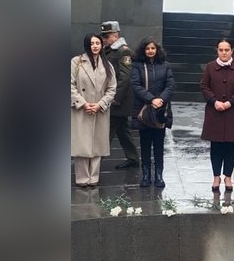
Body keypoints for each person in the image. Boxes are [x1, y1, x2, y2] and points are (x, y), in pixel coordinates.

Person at [199, 38, 234, 192]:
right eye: (221, 50)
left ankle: (228, 176)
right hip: (215, 112)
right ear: (217, 51)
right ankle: (216, 176)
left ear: (232, 50)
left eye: (227, 50)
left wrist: (231, 102)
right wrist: (214, 101)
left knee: (230, 146)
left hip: (232, 112)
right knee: (216, 146)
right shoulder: (210, 67)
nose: (224, 53)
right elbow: (204, 86)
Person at [71, 33, 117, 187]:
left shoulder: (107, 65)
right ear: (87, 45)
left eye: (98, 43)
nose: (95, 46)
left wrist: (100, 104)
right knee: (82, 145)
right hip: (81, 109)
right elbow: (70, 85)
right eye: (92, 43)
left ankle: (94, 178)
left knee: (97, 145)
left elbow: (112, 88)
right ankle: (82, 179)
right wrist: (83, 103)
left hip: (100, 109)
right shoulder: (76, 62)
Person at [130, 37, 175, 188]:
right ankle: (146, 175)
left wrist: (160, 100)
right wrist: (151, 99)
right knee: (144, 143)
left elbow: (170, 85)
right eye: (147, 48)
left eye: (153, 48)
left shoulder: (165, 65)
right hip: (144, 110)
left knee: (159, 144)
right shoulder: (137, 65)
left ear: (157, 50)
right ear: (143, 50)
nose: (150, 51)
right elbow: (135, 85)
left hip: (160, 110)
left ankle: (159, 175)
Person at [100, 20, 140, 170]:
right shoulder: (109, 50)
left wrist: (115, 98)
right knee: (123, 130)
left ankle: (96, 162)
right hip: (113, 97)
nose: (103, 39)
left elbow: (125, 77)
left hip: (119, 99)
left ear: (116, 35)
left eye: (107, 36)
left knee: (107, 131)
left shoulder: (123, 51)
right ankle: (133, 158)